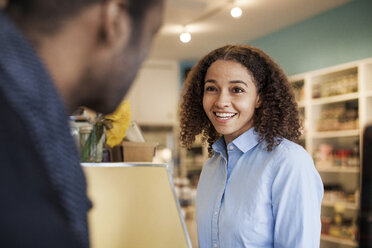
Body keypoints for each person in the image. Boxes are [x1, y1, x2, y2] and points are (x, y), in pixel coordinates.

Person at [0, 0, 163, 247]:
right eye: (151, 33)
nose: (143, 57)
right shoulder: (18, 146)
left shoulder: (34, 121)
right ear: (115, 18)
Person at [179, 44, 323, 247]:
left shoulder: (289, 163)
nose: (221, 101)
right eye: (211, 88)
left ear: (259, 98)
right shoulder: (212, 166)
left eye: (237, 89)